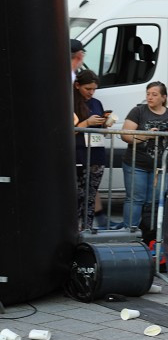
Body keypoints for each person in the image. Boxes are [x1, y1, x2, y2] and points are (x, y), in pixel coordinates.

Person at [119, 82, 168, 229]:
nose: (150, 97)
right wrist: (147, 135)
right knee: (135, 199)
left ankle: (149, 233)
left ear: (164, 97)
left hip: (161, 167)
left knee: (154, 201)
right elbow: (125, 135)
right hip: (136, 164)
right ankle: (130, 232)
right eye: (148, 94)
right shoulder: (138, 111)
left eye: (154, 95)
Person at [73, 70, 108, 230]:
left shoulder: (96, 103)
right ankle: (75, 229)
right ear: (77, 85)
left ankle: (87, 229)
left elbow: (102, 130)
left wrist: (106, 123)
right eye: (88, 89)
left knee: (91, 196)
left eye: (94, 89)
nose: (91, 93)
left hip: (96, 154)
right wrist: (87, 123)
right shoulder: (71, 102)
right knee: (78, 195)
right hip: (78, 155)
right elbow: (71, 130)